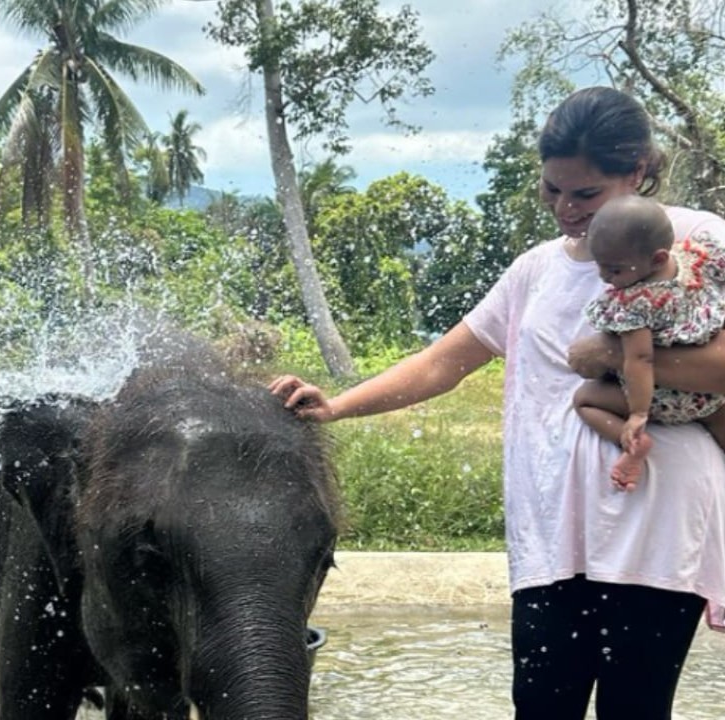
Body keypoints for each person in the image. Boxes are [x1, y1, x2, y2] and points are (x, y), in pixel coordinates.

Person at [270, 86, 725, 719]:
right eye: (552, 190)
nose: (566, 209)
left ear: (639, 170)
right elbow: (444, 363)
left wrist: (612, 358)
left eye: (586, 193)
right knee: (539, 708)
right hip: (551, 533)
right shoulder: (534, 271)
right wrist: (339, 405)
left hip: (655, 520)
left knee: (636, 709)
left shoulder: (694, 241)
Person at [573, 194, 725, 491]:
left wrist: (638, 413)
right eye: (599, 266)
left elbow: (640, 360)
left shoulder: (635, 303)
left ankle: (631, 444)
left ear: (657, 258)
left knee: (584, 400)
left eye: (614, 270)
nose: (605, 278)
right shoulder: (699, 259)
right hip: (711, 392)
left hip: (676, 398)